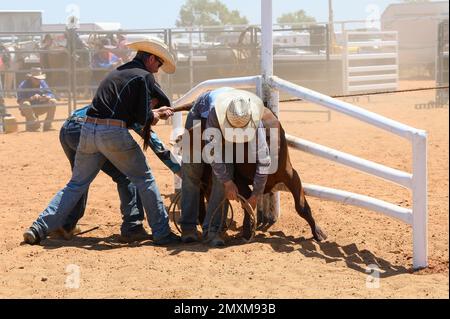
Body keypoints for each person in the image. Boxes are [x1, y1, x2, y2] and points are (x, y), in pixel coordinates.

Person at [23, 39, 180, 246]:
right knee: (145, 178)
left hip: (88, 129)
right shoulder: (144, 77)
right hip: (112, 132)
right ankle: (161, 232)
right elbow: (142, 118)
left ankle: (38, 227)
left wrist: (151, 112)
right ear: (151, 59)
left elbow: (125, 109)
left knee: (76, 184)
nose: (158, 70)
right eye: (159, 64)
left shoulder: (117, 72)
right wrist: (155, 115)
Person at [56, 102, 182, 243]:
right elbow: (157, 145)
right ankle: (132, 227)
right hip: (86, 130)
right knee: (127, 174)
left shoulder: (120, 97)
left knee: (80, 180)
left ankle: (65, 224)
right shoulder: (136, 107)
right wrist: (179, 170)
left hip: (69, 128)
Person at [179, 88, 271, 247]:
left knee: (223, 174)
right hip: (199, 115)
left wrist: (256, 195)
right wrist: (228, 182)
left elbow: (264, 160)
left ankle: (213, 230)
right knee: (192, 170)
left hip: (224, 122)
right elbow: (212, 150)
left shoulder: (255, 121)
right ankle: (188, 227)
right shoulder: (216, 112)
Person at [17, 67, 57, 132]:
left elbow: (50, 93)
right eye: (36, 78)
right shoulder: (23, 85)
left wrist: (46, 97)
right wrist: (31, 98)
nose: (38, 80)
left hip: (41, 106)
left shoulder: (42, 82)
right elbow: (20, 100)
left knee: (53, 101)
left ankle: (47, 125)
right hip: (29, 109)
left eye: (39, 78)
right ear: (31, 78)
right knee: (25, 104)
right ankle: (35, 123)